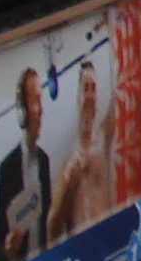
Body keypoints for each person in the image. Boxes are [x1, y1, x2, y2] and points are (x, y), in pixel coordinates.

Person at [44, 66, 117, 246]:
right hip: (83, 249)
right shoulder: (69, 166)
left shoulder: (102, 140)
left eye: (93, 88)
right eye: (85, 89)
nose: (90, 96)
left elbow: (118, 96)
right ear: (77, 99)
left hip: (107, 240)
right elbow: (52, 227)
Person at [0, 67, 53, 261]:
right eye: (35, 102)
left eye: (41, 101)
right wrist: (9, 252)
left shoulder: (44, 161)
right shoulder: (8, 169)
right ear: (22, 112)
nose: (41, 109)